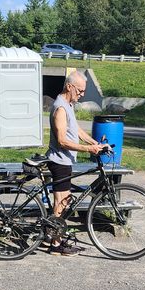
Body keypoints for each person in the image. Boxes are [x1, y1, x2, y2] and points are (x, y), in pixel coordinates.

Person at [46, 71, 105, 256]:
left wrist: (94, 143)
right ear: (69, 86)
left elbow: (76, 129)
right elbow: (62, 140)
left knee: (64, 201)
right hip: (59, 161)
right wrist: (88, 150)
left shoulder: (68, 104)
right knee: (60, 203)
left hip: (66, 161)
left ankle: (54, 237)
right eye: (79, 91)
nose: (81, 95)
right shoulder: (61, 108)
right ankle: (55, 245)